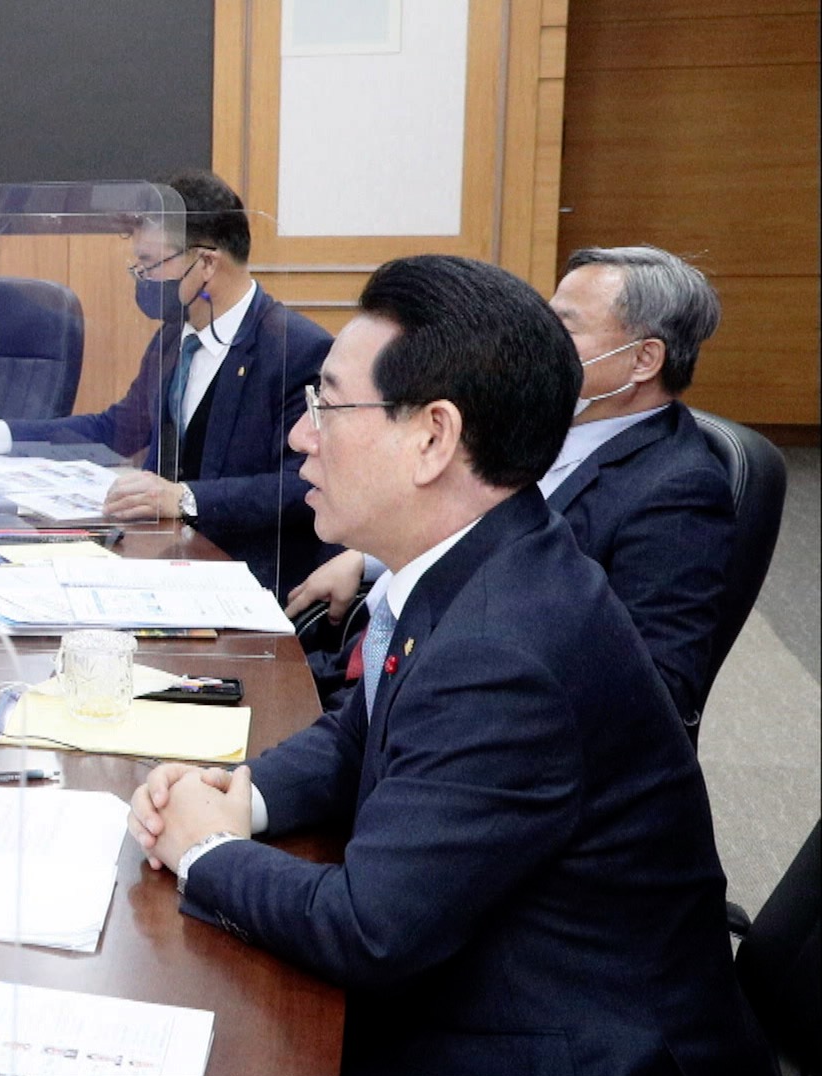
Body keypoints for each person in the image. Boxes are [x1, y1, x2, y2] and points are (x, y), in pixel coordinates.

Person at [128, 255, 768, 1076]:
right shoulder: (476, 561)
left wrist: (206, 852)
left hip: (563, 1044)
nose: (300, 437)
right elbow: (360, 733)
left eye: (326, 406)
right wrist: (239, 794)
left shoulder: (504, 653)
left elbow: (369, 931)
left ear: (434, 438)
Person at [286, 245, 733, 731]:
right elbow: (462, 504)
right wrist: (368, 557)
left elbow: (655, 693)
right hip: (377, 664)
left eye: (565, 327)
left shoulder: (680, 490)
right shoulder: (536, 418)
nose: (543, 340)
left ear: (644, 359)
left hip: (469, 705)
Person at [0, 169, 333, 597]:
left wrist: (185, 497)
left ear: (206, 263)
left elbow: (303, 483)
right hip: (160, 559)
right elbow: (117, 429)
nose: (142, 278)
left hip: (245, 580)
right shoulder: (174, 338)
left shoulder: (295, 350)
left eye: (149, 264)